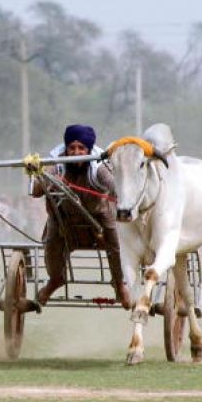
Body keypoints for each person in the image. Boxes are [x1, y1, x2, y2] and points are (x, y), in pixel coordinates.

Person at [26, 124, 131, 309]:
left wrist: (121, 191)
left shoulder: (99, 166)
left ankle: (119, 284)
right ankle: (56, 280)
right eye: (72, 148)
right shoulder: (56, 163)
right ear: (66, 149)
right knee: (51, 243)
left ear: (89, 149)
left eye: (81, 148)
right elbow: (35, 191)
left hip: (98, 216)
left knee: (115, 244)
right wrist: (42, 177)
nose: (76, 152)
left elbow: (114, 186)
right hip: (64, 217)